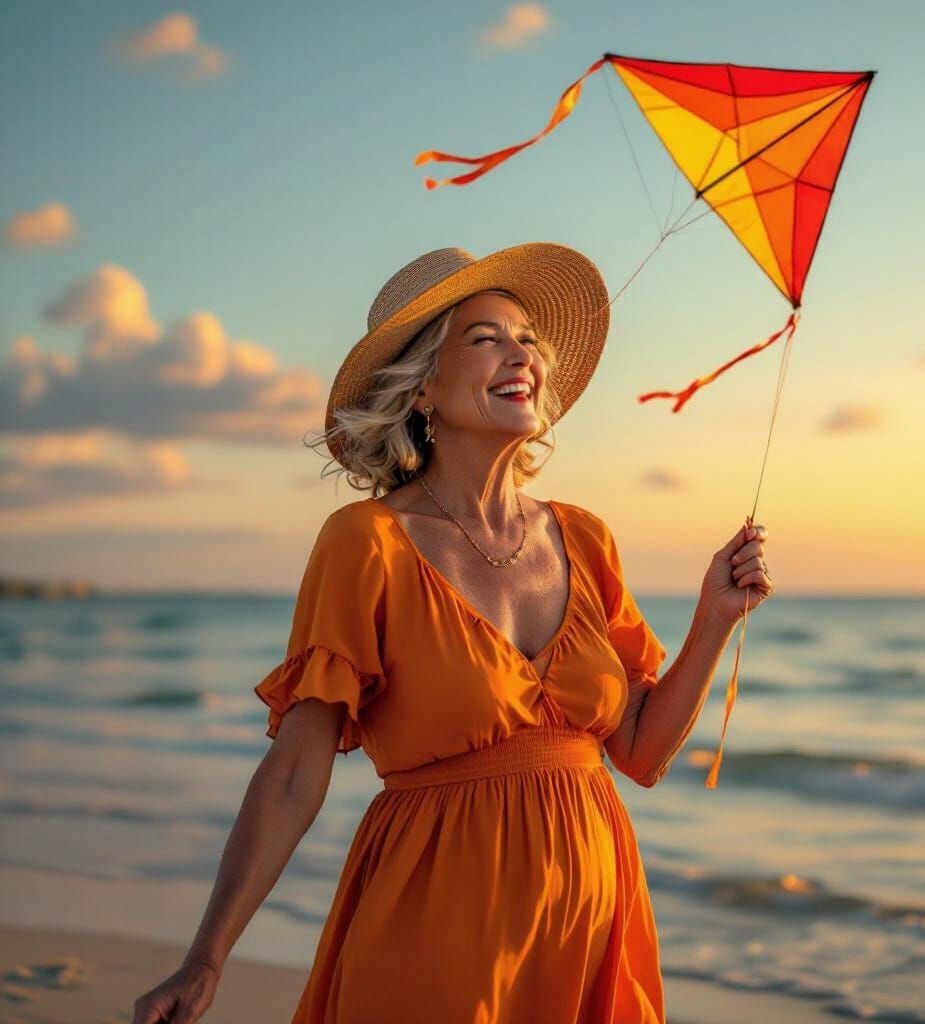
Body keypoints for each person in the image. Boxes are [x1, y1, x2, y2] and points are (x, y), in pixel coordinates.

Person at [131, 243, 772, 1024]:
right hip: (436, 927)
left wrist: (712, 619)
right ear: (424, 387)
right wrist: (207, 956)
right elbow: (298, 772)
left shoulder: (586, 538)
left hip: (590, 932)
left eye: (529, 337)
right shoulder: (365, 542)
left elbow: (639, 753)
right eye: (486, 337)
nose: (523, 354)